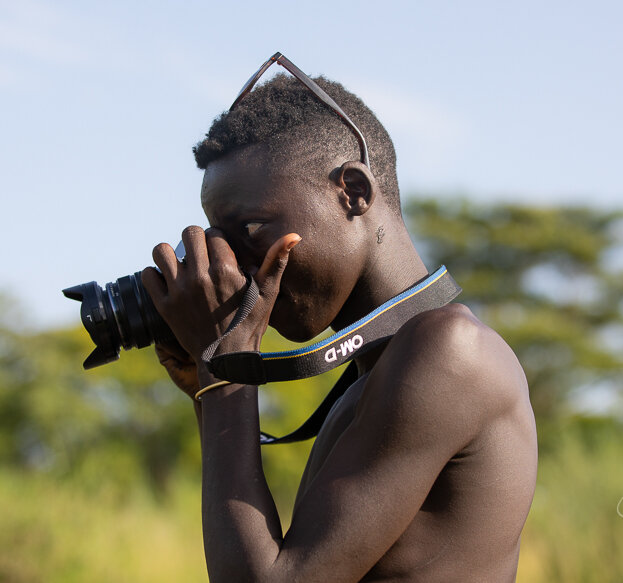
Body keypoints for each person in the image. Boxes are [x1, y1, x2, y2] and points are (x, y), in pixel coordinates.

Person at [141, 53, 537, 582]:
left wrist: (226, 376)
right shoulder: (375, 372)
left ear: (354, 192)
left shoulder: (450, 349)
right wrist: (207, 385)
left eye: (252, 228)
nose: (235, 268)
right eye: (222, 240)